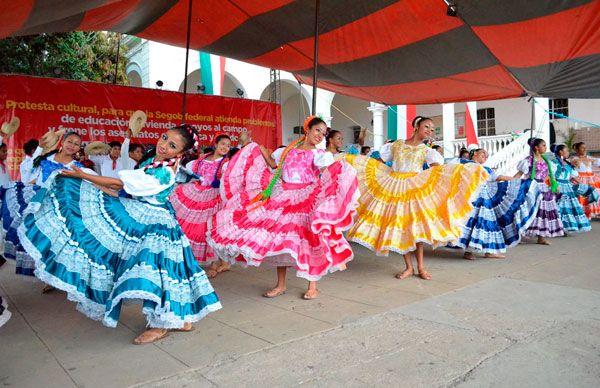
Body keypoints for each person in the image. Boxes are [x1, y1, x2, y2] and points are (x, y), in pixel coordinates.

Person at [17, 125, 221, 344]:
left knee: (158, 272)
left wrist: (82, 175)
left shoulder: (164, 171)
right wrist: (84, 180)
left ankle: (163, 323)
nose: (163, 145)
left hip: (155, 224)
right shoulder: (156, 163)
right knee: (158, 270)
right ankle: (178, 319)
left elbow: (120, 183)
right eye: (164, 138)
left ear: (180, 153)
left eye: (171, 145)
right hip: (143, 215)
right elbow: (122, 185)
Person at [208, 116, 359, 300]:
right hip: (283, 197)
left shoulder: (320, 155)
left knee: (308, 239)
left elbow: (326, 173)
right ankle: (281, 284)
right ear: (308, 130)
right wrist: (254, 147)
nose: (320, 135)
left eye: (324, 132)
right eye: (317, 130)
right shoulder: (286, 151)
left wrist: (338, 178)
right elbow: (273, 165)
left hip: (306, 199)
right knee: (279, 240)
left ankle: (312, 285)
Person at [343, 116, 487, 280]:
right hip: (394, 187)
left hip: (415, 188)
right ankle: (409, 267)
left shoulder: (426, 150)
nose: (429, 131)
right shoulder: (396, 145)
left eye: (432, 129)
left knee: (415, 228)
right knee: (402, 226)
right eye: (426, 126)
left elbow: (437, 170)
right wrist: (365, 166)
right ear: (416, 126)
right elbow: (380, 161)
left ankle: (421, 267)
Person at [457, 148, 542, 259]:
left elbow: (505, 179)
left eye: (487, 155)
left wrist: (520, 173)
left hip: (485, 202)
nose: (485, 156)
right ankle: (469, 252)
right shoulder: (463, 164)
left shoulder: (486, 169)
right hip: (470, 200)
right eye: (483, 153)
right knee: (472, 224)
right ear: (475, 153)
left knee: (488, 225)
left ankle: (489, 251)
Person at [170, 134, 232, 278]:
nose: (225, 147)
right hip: (196, 194)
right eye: (222, 143)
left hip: (214, 198)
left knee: (209, 229)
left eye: (228, 146)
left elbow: (228, 181)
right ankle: (189, 261)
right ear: (215, 144)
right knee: (188, 227)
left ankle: (213, 264)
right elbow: (191, 173)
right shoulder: (201, 160)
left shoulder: (226, 163)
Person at [514, 138, 564, 244]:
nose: (546, 147)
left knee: (543, 212)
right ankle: (520, 235)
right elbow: (519, 174)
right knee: (529, 211)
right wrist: (510, 183)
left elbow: (550, 176)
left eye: (545, 145)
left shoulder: (547, 161)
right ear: (536, 147)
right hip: (532, 187)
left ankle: (541, 237)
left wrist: (556, 185)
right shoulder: (529, 160)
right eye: (543, 145)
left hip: (544, 189)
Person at [551, 144, 597, 233]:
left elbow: (572, 177)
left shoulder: (567, 164)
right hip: (559, 186)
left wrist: (583, 185)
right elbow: (551, 176)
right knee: (560, 206)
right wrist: (555, 186)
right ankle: (557, 227)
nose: (568, 152)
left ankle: (565, 227)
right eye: (566, 151)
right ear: (561, 152)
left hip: (568, 186)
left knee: (569, 207)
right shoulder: (554, 163)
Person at [570, 142, 600, 218]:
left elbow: (598, 163)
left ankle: (590, 212)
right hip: (580, 179)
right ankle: (581, 213)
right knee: (581, 196)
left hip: (591, 179)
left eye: (585, 147)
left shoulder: (590, 158)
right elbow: (570, 170)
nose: (584, 149)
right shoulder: (574, 159)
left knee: (593, 194)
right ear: (577, 149)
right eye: (582, 147)